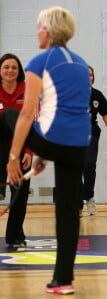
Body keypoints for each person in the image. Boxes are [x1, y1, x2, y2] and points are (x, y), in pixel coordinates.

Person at [1, 6, 90, 295]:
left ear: (49, 31)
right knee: (67, 213)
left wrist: (15, 158)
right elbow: (65, 111)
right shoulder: (80, 63)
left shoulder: (40, 61)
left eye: (39, 27)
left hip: (53, 139)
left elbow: (27, 113)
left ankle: (62, 279)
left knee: (8, 115)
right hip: (78, 145)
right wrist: (42, 155)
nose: (37, 32)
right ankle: (63, 280)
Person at [80, 65, 107, 216]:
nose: (88, 78)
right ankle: (78, 204)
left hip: (91, 132)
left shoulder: (97, 95)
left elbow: (106, 117)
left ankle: (89, 197)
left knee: (89, 164)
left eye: (91, 75)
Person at [0, 53, 33, 248]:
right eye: (6, 67)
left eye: (14, 67)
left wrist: (29, 151)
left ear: (19, 71)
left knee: (20, 193)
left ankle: (15, 236)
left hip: (20, 147)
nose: (10, 70)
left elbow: (32, 122)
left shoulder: (28, 91)